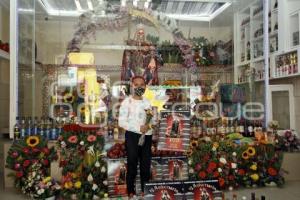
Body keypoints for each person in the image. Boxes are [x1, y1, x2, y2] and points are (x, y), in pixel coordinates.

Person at [118, 76, 153, 199]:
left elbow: (153, 119)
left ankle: (145, 191)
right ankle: (130, 192)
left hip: (147, 136)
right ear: (132, 86)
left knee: (145, 165)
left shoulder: (148, 102)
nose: (139, 87)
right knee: (132, 163)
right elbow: (121, 122)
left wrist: (149, 126)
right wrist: (138, 128)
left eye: (142, 84)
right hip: (132, 136)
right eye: (136, 84)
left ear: (145, 86)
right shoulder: (126, 102)